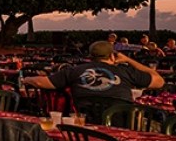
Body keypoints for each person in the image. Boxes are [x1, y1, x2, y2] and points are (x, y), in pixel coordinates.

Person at [23, 40, 163, 115]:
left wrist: (26, 80)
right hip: (122, 127)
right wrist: (128, 60)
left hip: (85, 128)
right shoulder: (125, 71)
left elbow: (41, 82)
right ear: (113, 56)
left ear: (90, 56)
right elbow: (159, 81)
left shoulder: (75, 71)